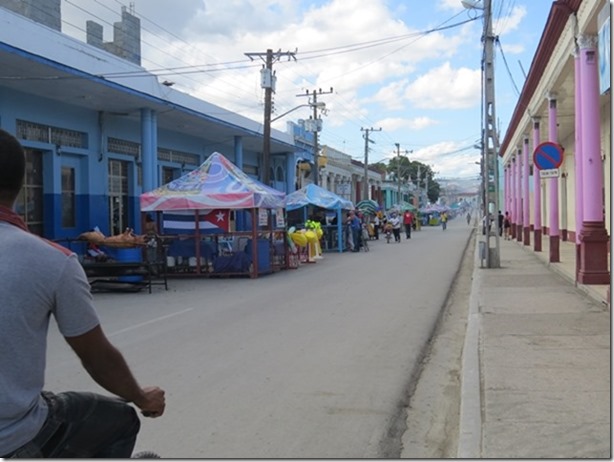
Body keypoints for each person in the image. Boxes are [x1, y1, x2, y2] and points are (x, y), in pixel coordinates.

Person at [0, 129, 166, 459]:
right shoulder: (52, 260)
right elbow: (97, 357)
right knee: (120, 419)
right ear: (21, 185)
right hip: (14, 435)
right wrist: (141, 397)